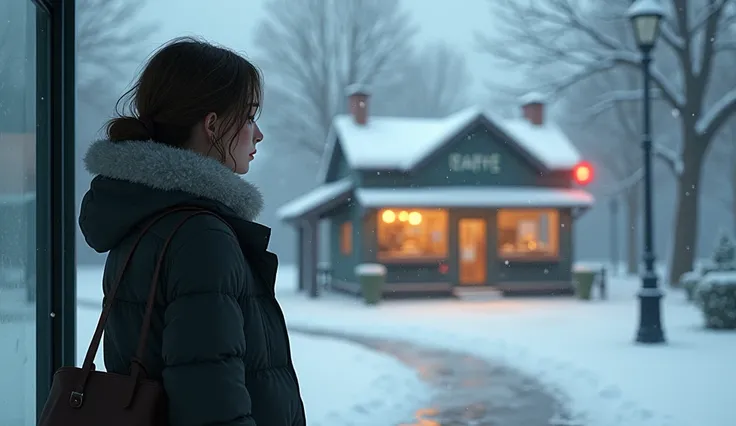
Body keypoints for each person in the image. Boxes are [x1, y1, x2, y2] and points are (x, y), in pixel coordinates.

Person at [78, 37, 306, 426]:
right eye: (249, 117)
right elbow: (212, 406)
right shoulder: (201, 236)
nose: (259, 134)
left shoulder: (145, 217)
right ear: (213, 125)